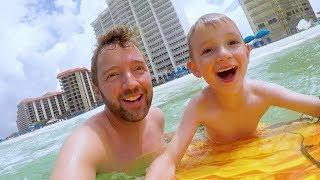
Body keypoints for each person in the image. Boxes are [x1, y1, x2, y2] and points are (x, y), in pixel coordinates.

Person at [145, 13, 320, 179]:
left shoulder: (264, 93)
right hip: (211, 143)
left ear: (247, 52)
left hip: (254, 134)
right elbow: (170, 158)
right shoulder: (199, 105)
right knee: (181, 138)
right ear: (195, 68)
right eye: (208, 50)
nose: (223, 54)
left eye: (232, 42)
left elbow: (316, 106)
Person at [51, 26, 165, 180]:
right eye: (113, 75)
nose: (131, 84)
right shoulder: (86, 143)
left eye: (138, 68)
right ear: (97, 90)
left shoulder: (156, 117)